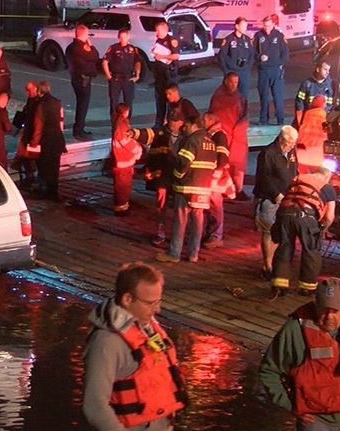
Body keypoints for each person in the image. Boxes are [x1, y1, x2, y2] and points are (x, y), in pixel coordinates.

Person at [83, 262, 187, 431]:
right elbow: (95, 406)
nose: (157, 309)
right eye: (150, 303)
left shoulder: (148, 328)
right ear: (127, 299)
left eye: (158, 301)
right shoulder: (106, 343)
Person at [259, 277, 340, 430]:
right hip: (316, 421)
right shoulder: (294, 331)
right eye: (324, 309)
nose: (329, 317)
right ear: (315, 305)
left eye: (336, 311)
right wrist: (291, 405)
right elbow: (269, 370)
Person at [156, 113, 217, 264]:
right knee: (197, 221)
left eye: (187, 126)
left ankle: (174, 253)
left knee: (181, 219)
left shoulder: (192, 140)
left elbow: (183, 163)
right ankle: (193, 254)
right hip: (204, 188)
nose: (185, 129)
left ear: (194, 125)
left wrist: (176, 176)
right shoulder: (210, 142)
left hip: (187, 187)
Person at [270, 167, 336, 298]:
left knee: (284, 248)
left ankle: (279, 285)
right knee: (311, 250)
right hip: (306, 217)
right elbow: (329, 216)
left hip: (284, 215)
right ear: (327, 176)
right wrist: (324, 229)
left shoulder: (298, 180)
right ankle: (307, 287)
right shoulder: (327, 187)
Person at [132, 111, 185, 247]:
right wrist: (148, 170)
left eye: (175, 121)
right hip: (163, 175)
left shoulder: (186, 135)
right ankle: (160, 232)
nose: (172, 123)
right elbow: (149, 143)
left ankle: (179, 234)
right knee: (161, 205)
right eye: (171, 120)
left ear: (181, 122)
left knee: (181, 208)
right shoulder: (161, 134)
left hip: (180, 177)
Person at [254, 126, 298, 281]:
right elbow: (263, 178)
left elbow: (294, 171)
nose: (291, 147)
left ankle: (276, 263)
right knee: (269, 232)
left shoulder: (292, 151)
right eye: (288, 143)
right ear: (281, 139)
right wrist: (276, 194)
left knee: (281, 233)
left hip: (287, 198)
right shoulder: (268, 153)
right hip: (270, 199)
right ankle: (268, 266)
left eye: (293, 144)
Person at [209, 72, 250, 200]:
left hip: (236, 135)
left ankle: (238, 188)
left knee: (237, 163)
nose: (233, 85)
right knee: (222, 162)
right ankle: (224, 188)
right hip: (222, 135)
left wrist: (239, 132)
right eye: (231, 82)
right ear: (226, 81)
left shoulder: (240, 98)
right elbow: (213, 115)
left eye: (236, 83)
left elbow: (244, 117)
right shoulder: (218, 96)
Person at [29, 81, 66, 201]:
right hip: (57, 140)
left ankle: (44, 191)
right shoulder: (57, 102)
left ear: (39, 91)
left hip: (46, 141)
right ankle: (53, 192)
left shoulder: (41, 104)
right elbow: (61, 121)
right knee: (54, 168)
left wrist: (34, 142)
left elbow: (38, 124)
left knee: (44, 167)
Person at [202, 112, 233, 249]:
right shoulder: (211, 134)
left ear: (210, 121)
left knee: (215, 206)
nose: (202, 122)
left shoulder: (218, 135)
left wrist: (216, 174)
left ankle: (216, 236)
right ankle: (211, 233)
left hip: (215, 177)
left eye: (204, 120)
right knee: (210, 207)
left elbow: (222, 155)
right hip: (211, 175)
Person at [66, 25, 101, 140]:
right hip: (82, 80)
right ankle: (78, 131)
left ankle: (80, 128)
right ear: (83, 34)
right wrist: (91, 46)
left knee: (82, 104)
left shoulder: (70, 47)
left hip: (77, 78)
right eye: (87, 34)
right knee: (83, 105)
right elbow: (95, 56)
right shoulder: (79, 48)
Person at [253, 15, 289, 125]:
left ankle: (280, 119)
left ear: (273, 25)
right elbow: (252, 53)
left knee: (277, 96)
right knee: (263, 96)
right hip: (263, 71)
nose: (267, 28)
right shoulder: (258, 36)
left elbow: (285, 53)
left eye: (269, 26)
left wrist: (280, 64)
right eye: (265, 26)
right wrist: (259, 57)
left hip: (276, 71)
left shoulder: (279, 36)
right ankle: (264, 119)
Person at [111, 103, 143, 216]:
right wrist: (137, 149)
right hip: (123, 160)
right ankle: (121, 209)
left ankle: (122, 206)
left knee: (122, 185)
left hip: (121, 159)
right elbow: (123, 139)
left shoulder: (118, 121)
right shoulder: (121, 123)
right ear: (126, 111)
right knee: (123, 186)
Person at [103, 28, 142, 119]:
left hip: (128, 79)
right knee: (114, 103)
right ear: (118, 38)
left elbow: (138, 62)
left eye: (125, 37)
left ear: (128, 37)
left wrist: (137, 74)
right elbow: (105, 62)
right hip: (116, 79)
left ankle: (126, 125)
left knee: (128, 103)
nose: (123, 39)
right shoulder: (113, 48)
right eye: (121, 37)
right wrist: (109, 76)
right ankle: (115, 125)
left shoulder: (133, 49)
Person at [151, 21, 181, 129]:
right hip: (159, 74)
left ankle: (171, 122)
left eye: (158, 30)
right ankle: (159, 123)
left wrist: (163, 57)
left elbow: (176, 56)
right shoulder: (159, 40)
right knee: (159, 98)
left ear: (164, 30)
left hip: (169, 73)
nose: (156, 33)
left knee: (171, 99)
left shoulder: (172, 40)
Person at [12, 80, 41, 190]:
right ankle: (29, 178)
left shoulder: (37, 102)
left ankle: (30, 179)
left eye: (29, 90)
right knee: (25, 158)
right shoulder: (32, 100)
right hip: (28, 133)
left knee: (28, 158)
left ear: (36, 89)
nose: (27, 93)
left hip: (32, 135)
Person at [217, 17, 254, 99]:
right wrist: (227, 72)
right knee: (230, 97)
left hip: (244, 72)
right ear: (237, 26)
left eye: (246, 26)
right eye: (243, 26)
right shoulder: (228, 39)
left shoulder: (247, 40)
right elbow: (222, 56)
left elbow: (252, 55)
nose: (245, 28)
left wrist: (248, 67)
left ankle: (243, 112)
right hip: (232, 72)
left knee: (243, 98)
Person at [295, 61, 335, 127]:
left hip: (322, 119)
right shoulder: (307, 83)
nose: (327, 72)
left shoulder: (331, 84)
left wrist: (324, 115)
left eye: (329, 70)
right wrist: (300, 118)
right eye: (325, 69)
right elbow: (299, 101)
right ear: (318, 69)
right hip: (308, 118)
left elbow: (330, 103)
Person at [296, 95, 329, 174]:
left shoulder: (307, 113)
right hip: (316, 150)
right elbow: (326, 130)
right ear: (323, 104)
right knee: (318, 176)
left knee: (302, 175)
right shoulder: (323, 114)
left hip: (302, 149)